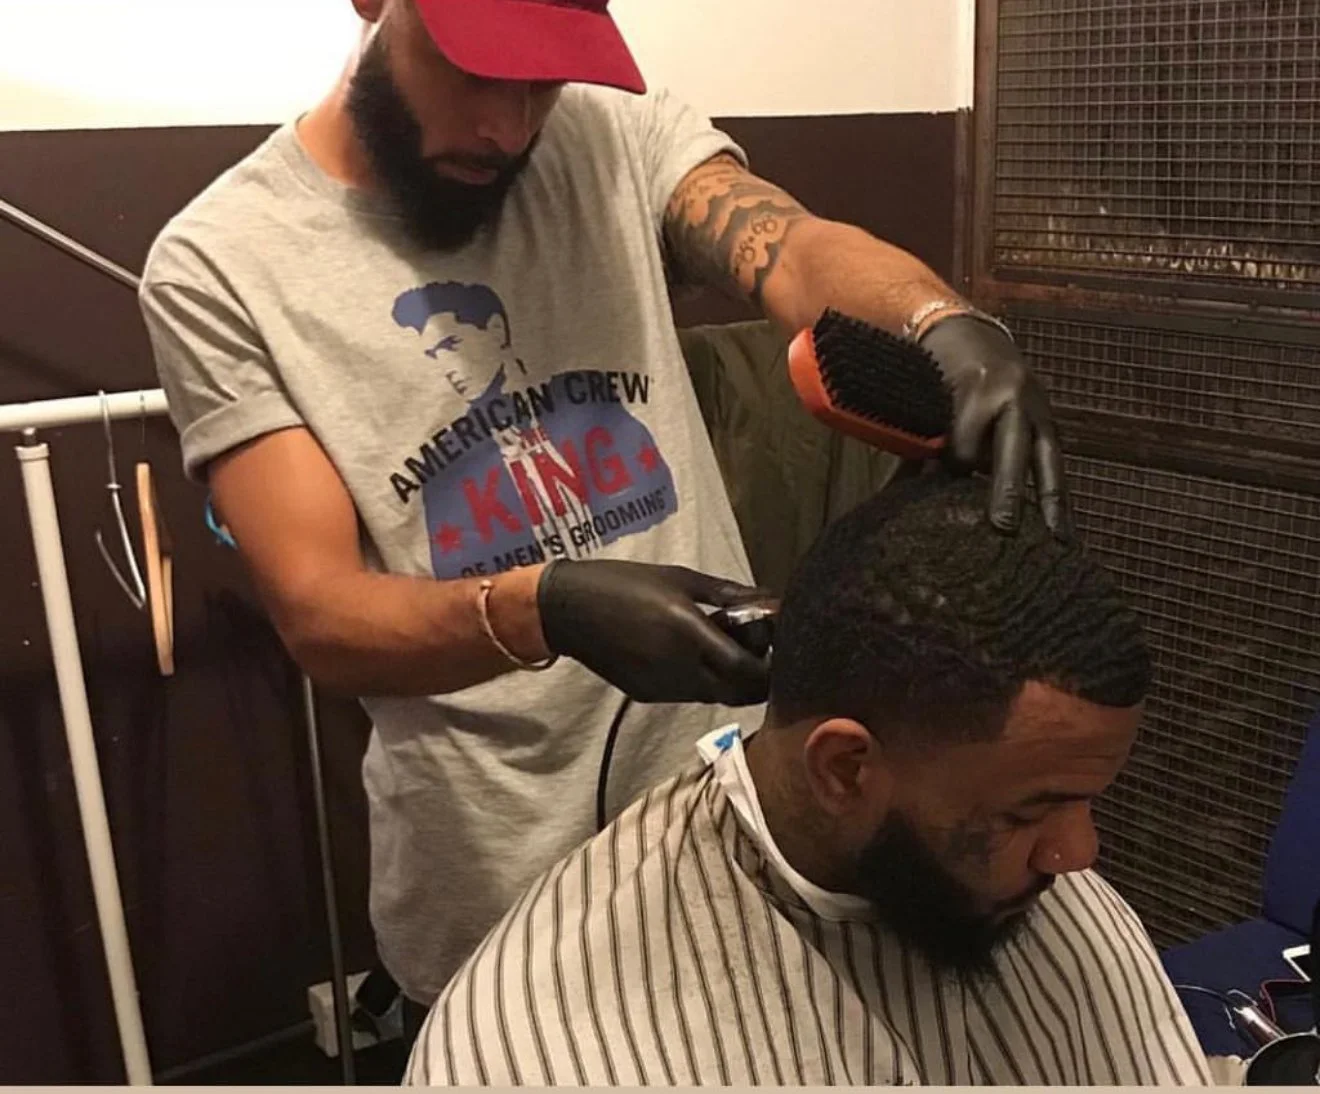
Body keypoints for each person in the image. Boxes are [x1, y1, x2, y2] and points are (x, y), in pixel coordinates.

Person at [137, 0, 1071, 1032]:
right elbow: (322, 613)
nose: (512, 126)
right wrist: (552, 608)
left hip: (733, 850)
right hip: (494, 899)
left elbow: (795, 249)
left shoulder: (613, 137)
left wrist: (943, 322)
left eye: (544, 78)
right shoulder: (221, 264)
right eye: (481, 70)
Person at [403, 472, 1213, 1087]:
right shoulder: (546, 1047)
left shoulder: (1024, 884)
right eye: (1031, 812)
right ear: (845, 767)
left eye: (1086, 801)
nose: (1079, 855)